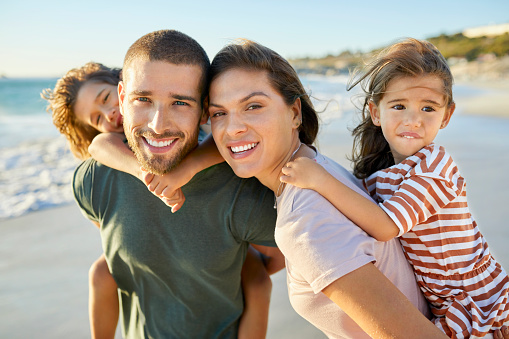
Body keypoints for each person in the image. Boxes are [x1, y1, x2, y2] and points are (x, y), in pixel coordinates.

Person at [46, 29, 283, 337]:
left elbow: (280, 255)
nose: (158, 124)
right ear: (124, 95)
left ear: (204, 109)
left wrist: (240, 264)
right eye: (142, 99)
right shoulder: (93, 181)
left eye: (181, 103)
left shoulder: (238, 184)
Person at [206, 38, 448, 338]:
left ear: (295, 113)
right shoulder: (318, 165)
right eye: (219, 113)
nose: (233, 128)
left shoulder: (305, 221)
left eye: (253, 106)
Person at [281, 38, 509, 338]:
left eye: (428, 108)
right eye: (398, 106)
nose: (413, 119)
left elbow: (385, 226)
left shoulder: (434, 168)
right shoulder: (382, 175)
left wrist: (320, 180)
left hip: (479, 301)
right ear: (376, 112)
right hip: (446, 304)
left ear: (447, 116)